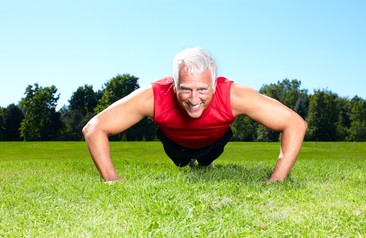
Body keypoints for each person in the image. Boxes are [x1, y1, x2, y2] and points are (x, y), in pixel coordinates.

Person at [82, 47, 307, 184]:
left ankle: (203, 159)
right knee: (183, 163)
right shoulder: (153, 96)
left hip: (214, 141)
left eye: (202, 89)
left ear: (214, 84)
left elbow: (295, 123)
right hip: (174, 142)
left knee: (205, 161)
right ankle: (186, 159)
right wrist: (111, 180)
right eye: (186, 89)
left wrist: (277, 179)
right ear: (174, 83)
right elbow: (94, 128)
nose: (193, 99)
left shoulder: (235, 96)